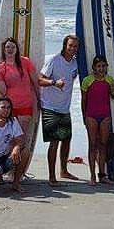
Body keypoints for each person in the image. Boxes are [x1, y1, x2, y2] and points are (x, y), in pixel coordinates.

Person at [39, 35, 79, 184]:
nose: (72, 49)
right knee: (54, 141)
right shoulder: (54, 60)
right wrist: (54, 82)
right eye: (70, 46)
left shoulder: (75, 63)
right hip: (50, 106)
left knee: (67, 139)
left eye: (75, 46)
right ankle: (51, 176)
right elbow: (39, 79)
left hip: (64, 107)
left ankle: (63, 170)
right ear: (64, 45)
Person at [0, 37, 40, 160]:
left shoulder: (25, 62)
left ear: (16, 49)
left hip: (26, 105)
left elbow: (35, 82)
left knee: (21, 140)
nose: (10, 49)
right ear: (4, 50)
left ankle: (17, 172)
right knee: (9, 140)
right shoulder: (1, 67)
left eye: (12, 47)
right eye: (7, 47)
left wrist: (39, 100)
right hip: (10, 108)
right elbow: (3, 91)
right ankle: (9, 170)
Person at [80, 54, 114, 185]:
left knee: (103, 145)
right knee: (92, 145)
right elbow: (84, 100)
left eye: (103, 66)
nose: (101, 68)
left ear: (107, 67)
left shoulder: (110, 80)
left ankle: (102, 175)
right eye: (98, 66)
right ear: (94, 67)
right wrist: (84, 117)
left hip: (105, 116)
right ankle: (92, 176)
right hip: (91, 116)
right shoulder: (87, 80)